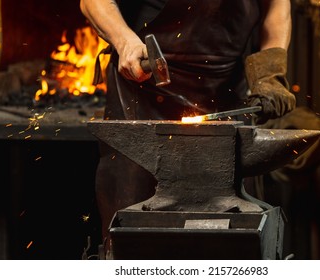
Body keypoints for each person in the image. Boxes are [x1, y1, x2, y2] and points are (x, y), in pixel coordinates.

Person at [79, 0, 296, 250]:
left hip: (223, 89)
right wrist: (125, 41)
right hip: (143, 88)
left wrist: (270, 73)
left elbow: (277, 7)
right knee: (133, 232)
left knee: (230, 231)